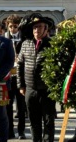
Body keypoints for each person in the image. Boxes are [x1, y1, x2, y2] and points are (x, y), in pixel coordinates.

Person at [17, 13, 56, 142]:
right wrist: (21, 85)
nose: (36, 30)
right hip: (30, 89)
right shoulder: (26, 44)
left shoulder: (53, 44)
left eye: (39, 27)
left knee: (48, 121)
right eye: (34, 28)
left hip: (47, 90)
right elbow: (20, 65)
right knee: (34, 122)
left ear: (46, 29)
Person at [5, 14, 27, 140]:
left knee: (21, 106)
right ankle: (9, 130)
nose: (13, 29)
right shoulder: (4, 39)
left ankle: (21, 131)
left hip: (21, 76)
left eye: (15, 27)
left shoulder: (24, 39)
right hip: (8, 76)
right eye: (11, 26)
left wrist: (20, 58)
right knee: (7, 105)